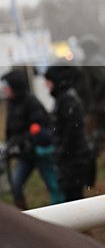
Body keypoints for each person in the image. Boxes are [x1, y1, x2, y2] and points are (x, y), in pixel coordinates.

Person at [1, 69, 63, 209]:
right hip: (25, 155)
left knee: (54, 186)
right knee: (16, 185)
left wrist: (25, 141)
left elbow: (40, 129)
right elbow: (10, 129)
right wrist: (11, 144)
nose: (5, 89)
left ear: (15, 87)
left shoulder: (32, 102)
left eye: (7, 86)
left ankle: (62, 215)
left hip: (41, 153)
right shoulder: (11, 103)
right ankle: (24, 219)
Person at [44, 64, 93, 202]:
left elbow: (71, 133)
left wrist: (60, 152)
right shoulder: (63, 99)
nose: (45, 85)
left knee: (74, 199)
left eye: (48, 81)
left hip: (73, 160)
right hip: (71, 159)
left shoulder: (67, 100)